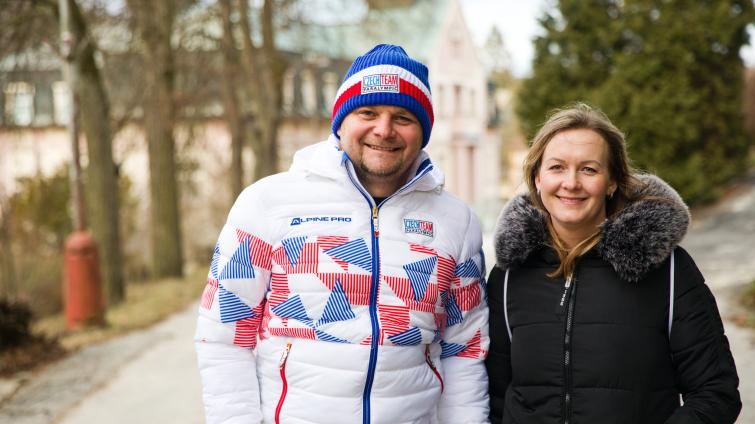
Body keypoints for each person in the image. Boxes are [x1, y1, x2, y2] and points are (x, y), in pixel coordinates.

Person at [195, 44, 489, 424]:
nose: (383, 130)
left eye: (403, 117)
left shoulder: (457, 222)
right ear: (341, 121)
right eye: (368, 112)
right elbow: (223, 338)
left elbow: (464, 351)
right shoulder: (267, 204)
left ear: (423, 131)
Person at [486, 103, 741, 424]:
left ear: (612, 182)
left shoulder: (668, 270)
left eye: (589, 169)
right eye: (557, 167)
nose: (571, 182)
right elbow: (494, 396)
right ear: (537, 177)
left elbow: (716, 392)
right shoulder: (509, 275)